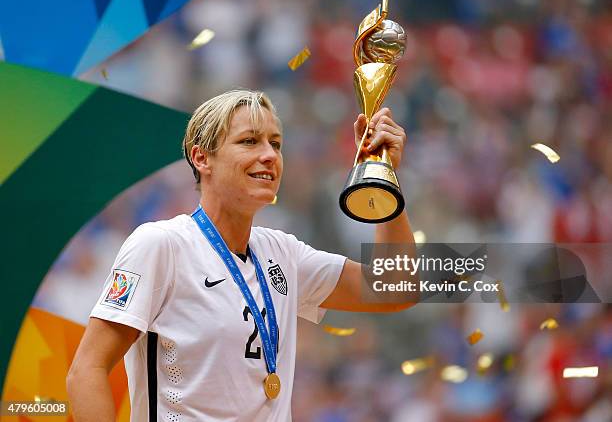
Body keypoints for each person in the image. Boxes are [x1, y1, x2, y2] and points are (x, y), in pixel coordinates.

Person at [66, 89, 417, 421]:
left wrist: (384, 176)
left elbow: (395, 287)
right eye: (249, 141)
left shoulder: (282, 252)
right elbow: (87, 370)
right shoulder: (161, 245)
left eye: (276, 144)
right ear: (201, 157)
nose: (269, 154)